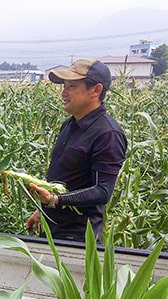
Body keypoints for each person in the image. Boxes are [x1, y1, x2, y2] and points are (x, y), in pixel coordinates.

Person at [26, 59, 127, 242]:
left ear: (95, 90)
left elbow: (102, 190)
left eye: (71, 86)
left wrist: (55, 200)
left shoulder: (107, 134)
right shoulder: (70, 124)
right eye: (64, 86)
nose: (63, 93)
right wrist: (41, 210)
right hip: (52, 230)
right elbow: (63, 177)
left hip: (78, 239)